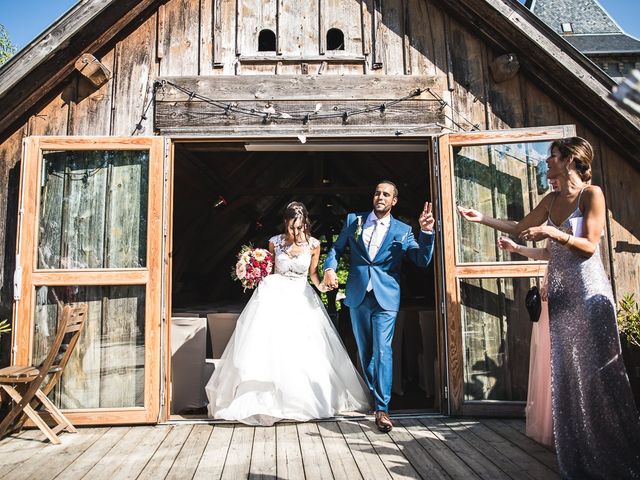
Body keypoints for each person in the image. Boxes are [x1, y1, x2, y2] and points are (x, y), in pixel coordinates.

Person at [458, 137, 640, 477]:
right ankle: (580, 446)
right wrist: (481, 218)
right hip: (561, 297)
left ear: (570, 159)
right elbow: (522, 227)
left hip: (588, 295)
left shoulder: (591, 195)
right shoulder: (551, 199)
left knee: (596, 376)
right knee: (568, 375)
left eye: (551, 156)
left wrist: (552, 233)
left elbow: (587, 246)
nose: (546, 162)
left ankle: (612, 447)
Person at [205, 202, 370, 426]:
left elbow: (312, 274)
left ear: (305, 224)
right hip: (274, 297)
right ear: (285, 223)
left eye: (300, 227)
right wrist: (253, 271)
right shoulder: (274, 242)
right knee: (271, 348)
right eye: (292, 227)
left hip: (301, 298)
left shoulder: (313, 245)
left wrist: (321, 286)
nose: (295, 232)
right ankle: (266, 400)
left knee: (303, 349)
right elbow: (270, 270)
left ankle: (302, 399)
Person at [323, 181, 435, 432]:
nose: (380, 196)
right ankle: (376, 399)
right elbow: (337, 248)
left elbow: (422, 260)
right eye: (377, 192)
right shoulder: (355, 220)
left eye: (386, 194)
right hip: (358, 295)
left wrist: (426, 233)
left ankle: (383, 408)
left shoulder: (403, 230)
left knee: (384, 351)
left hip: (386, 298)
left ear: (394, 201)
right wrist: (330, 268)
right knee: (366, 354)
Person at [497, 237, 553, 448]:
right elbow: (547, 253)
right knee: (549, 355)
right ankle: (556, 423)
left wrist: (548, 230)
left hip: (578, 285)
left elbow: (588, 247)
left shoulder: (587, 205)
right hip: (552, 285)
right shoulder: (551, 209)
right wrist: (517, 247)